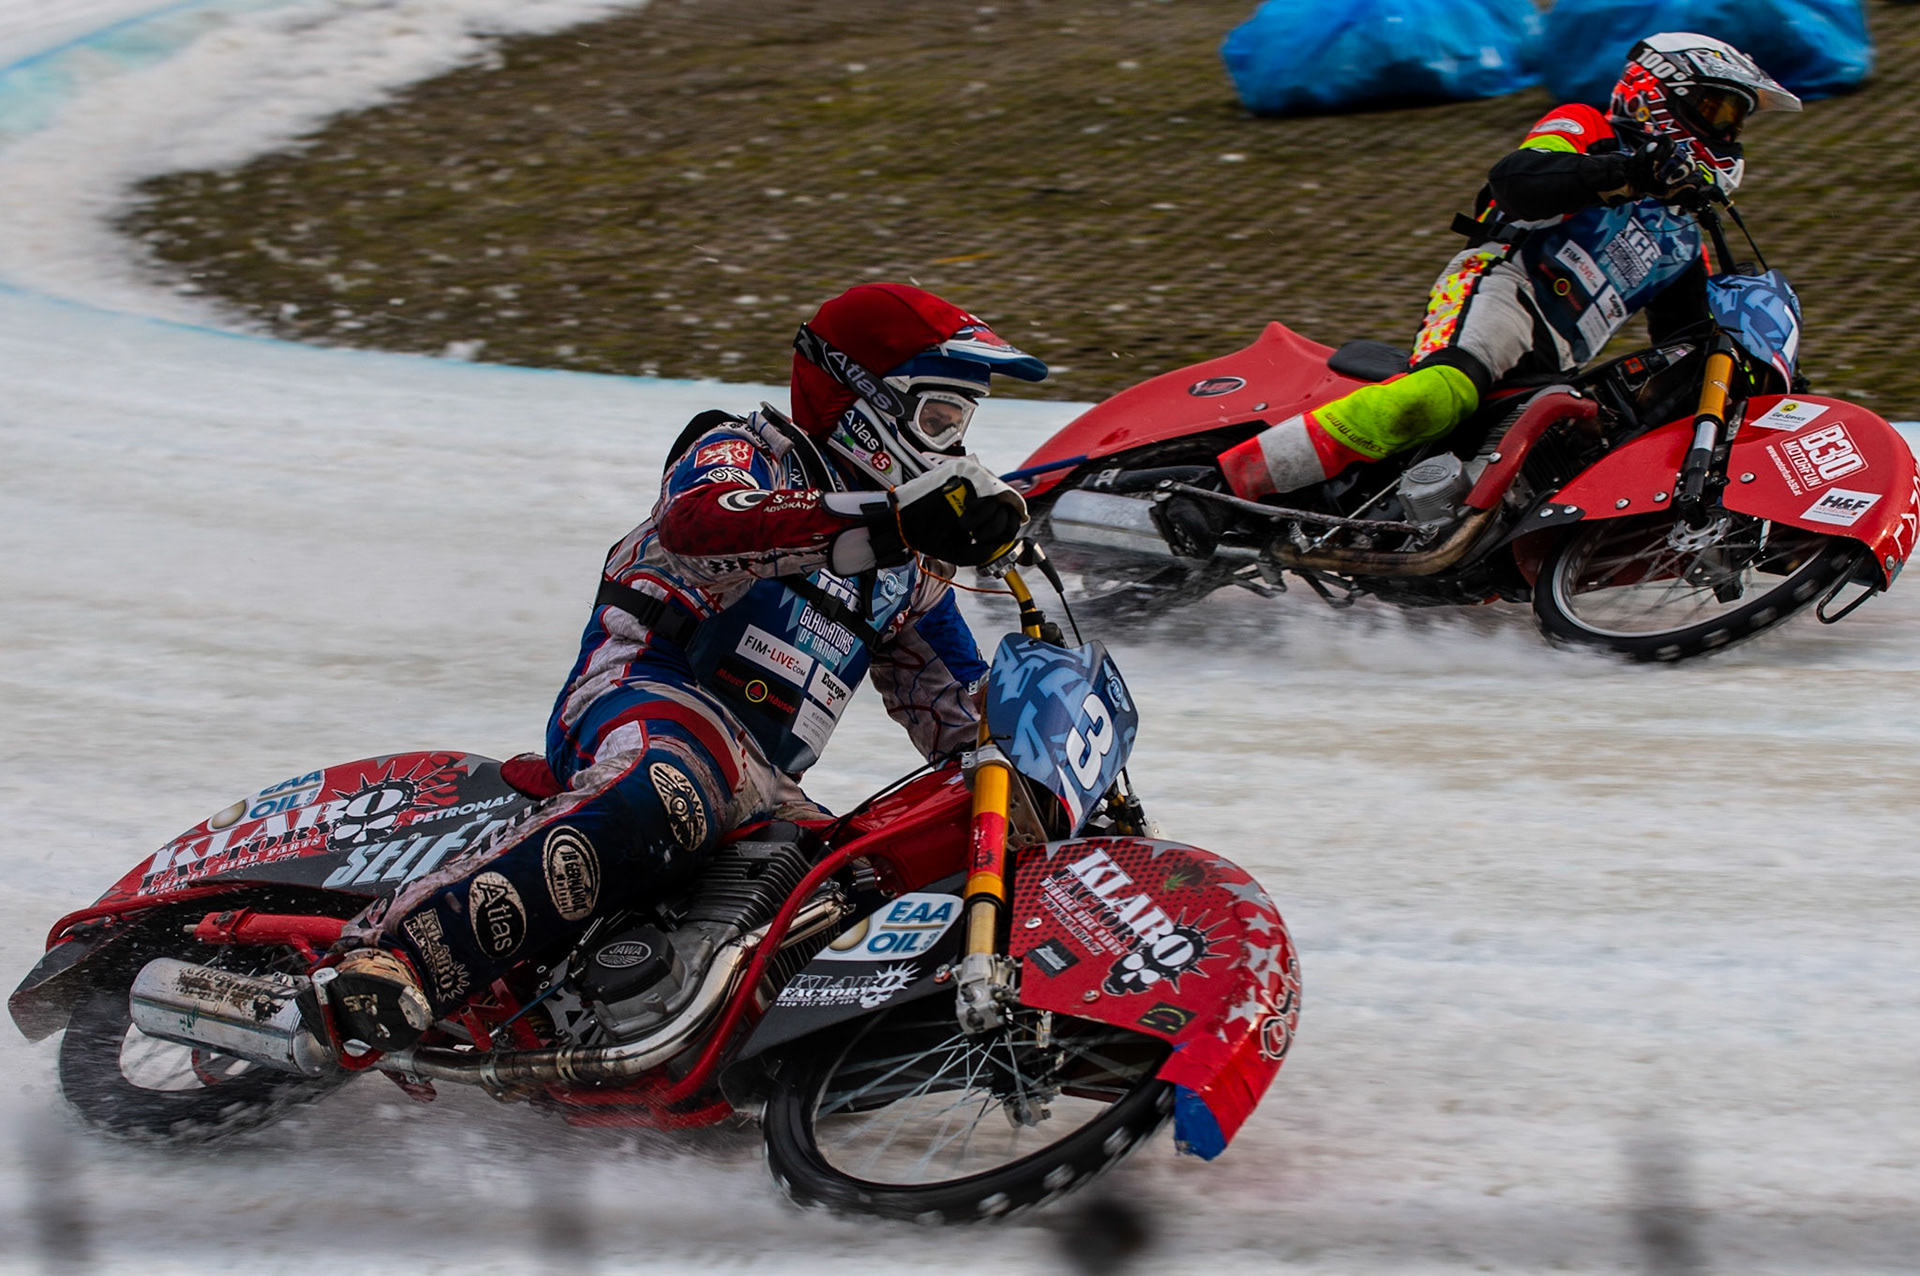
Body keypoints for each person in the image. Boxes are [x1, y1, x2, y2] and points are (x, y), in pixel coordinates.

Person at [324, 283, 1044, 1051]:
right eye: (938, 415)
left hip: (766, 778)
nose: (953, 439)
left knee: (856, 883)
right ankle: (391, 957)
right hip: (646, 696)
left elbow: (961, 711)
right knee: (672, 790)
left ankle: (729, 1059)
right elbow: (700, 522)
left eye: (962, 421)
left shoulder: (914, 570)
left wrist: (1054, 773)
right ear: (865, 399)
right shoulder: (747, 451)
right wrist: (889, 522)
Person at [1216, 32, 1803, 504]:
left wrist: (1765, 386)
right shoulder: (1588, 129)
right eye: (1715, 108)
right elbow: (1517, 182)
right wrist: (1626, 173)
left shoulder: (1683, 243)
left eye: (1735, 119)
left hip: (1557, 360)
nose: (1726, 130)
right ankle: (1226, 486)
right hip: (1502, 288)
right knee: (1446, 392)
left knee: (1575, 454)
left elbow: (1685, 346)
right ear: (1657, 92)